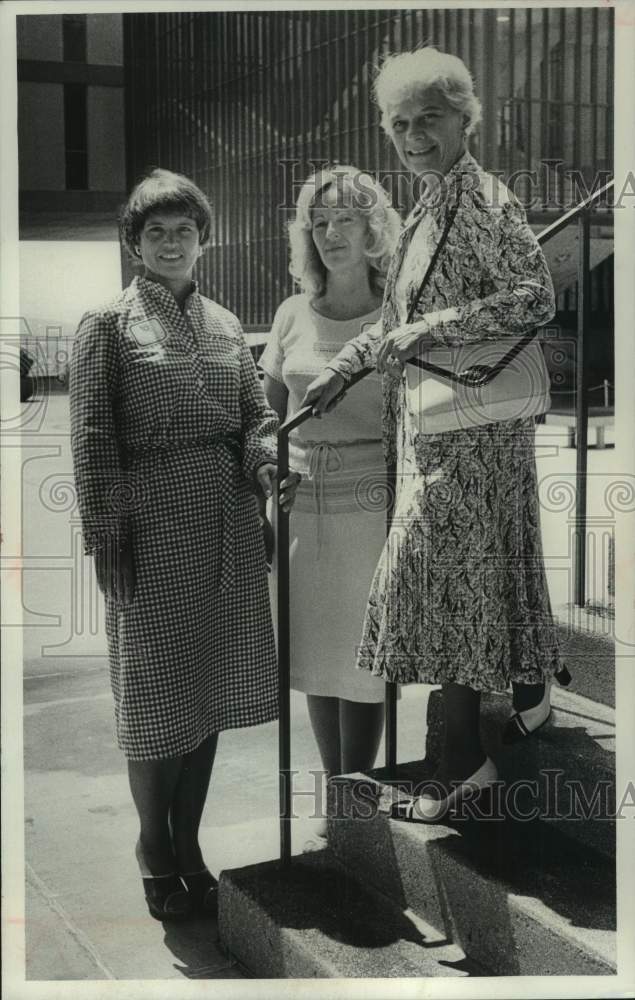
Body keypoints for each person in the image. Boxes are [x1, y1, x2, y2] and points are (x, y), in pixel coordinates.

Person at [303, 48, 562, 821]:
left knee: (433, 582)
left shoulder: (484, 198)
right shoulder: (423, 207)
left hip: (474, 435)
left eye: (429, 119)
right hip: (437, 432)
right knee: (455, 585)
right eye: (398, 123)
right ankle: (505, 713)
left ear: (464, 119)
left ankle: (465, 763)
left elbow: (533, 295)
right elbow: (390, 325)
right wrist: (341, 370)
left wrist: (434, 329)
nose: (413, 135)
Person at [69, 168, 297, 919]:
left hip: (228, 524)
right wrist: (106, 532)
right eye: (156, 232)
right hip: (150, 526)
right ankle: (152, 846)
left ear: (205, 238)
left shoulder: (230, 324)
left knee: (209, 693)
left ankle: (190, 842)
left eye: (184, 230)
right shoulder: (106, 323)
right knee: (154, 698)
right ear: (135, 243)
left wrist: (268, 470)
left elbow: (254, 420)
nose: (172, 243)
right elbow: (93, 436)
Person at [259, 166, 401, 837]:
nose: (330, 232)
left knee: (363, 659)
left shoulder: (399, 307)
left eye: (344, 217)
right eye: (318, 221)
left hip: (373, 508)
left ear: (373, 224)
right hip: (299, 506)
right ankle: (336, 796)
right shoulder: (291, 312)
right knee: (316, 656)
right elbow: (265, 417)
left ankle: (354, 795)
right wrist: (267, 473)